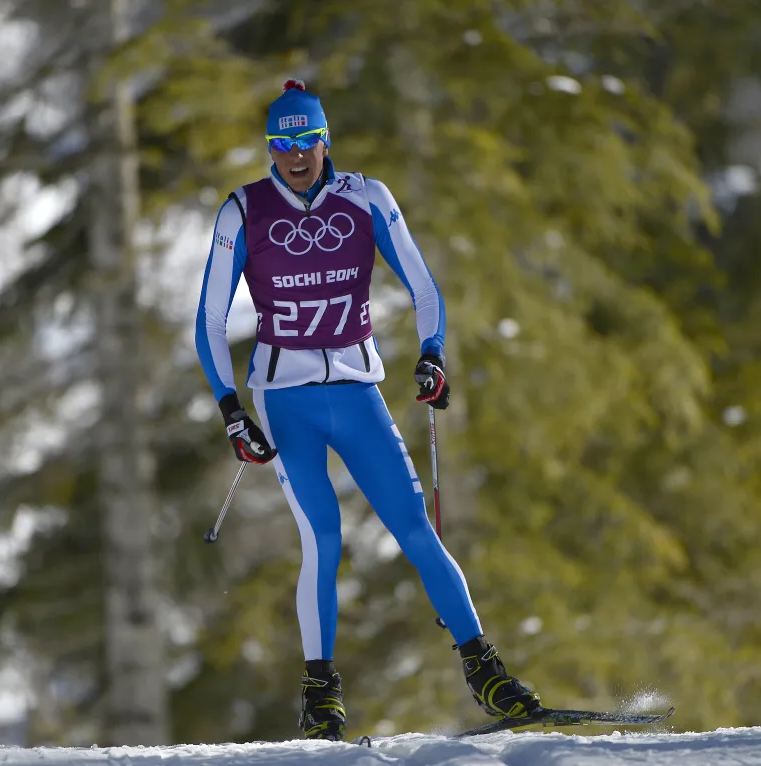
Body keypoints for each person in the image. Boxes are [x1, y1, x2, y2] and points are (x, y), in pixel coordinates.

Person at [194, 79, 541, 741]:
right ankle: (321, 695)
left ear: (325, 140)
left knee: (415, 529)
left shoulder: (366, 199)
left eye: (306, 140)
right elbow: (208, 319)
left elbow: (422, 284)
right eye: (281, 143)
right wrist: (230, 409)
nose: (295, 154)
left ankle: (486, 673)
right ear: (269, 148)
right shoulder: (243, 210)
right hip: (283, 399)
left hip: (356, 390)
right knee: (322, 538)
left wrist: (432, 354)